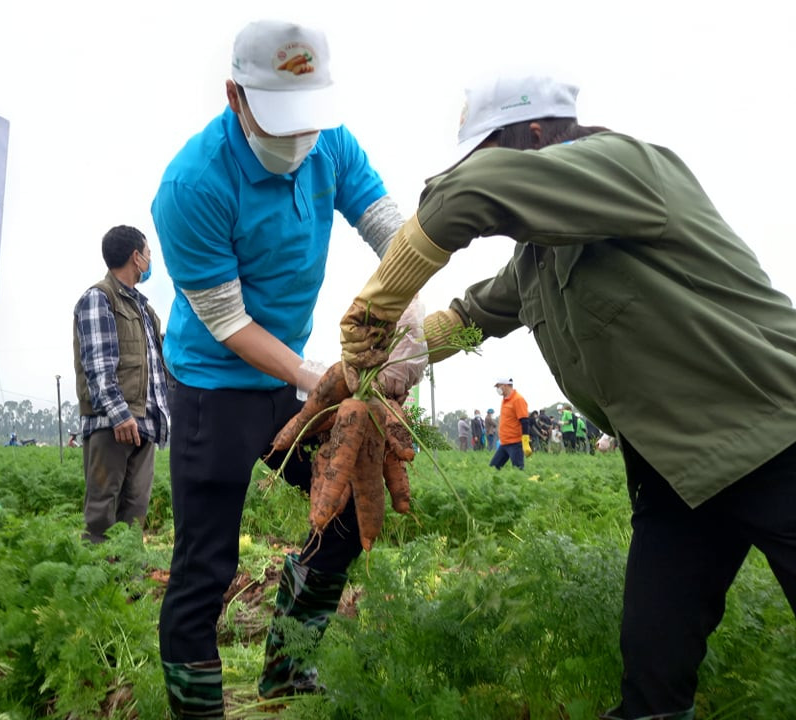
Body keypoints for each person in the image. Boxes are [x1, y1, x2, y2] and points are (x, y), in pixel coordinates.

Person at [338, 73, 796, 720]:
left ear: (535, 134)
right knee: (654, 666)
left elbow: (469, 193)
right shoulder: (541, 258)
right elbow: (475, 314)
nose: (481, 165)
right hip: (675, 472)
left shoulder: (630, 165)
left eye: (490, 149)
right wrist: (387, 360)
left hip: (774, 439)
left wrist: (380, 301)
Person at [150, 20, 413, 718]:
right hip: (216, 385)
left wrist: (414, 308)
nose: (297, 143)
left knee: (353, 509)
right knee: (207, 565)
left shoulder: (330, 143)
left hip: (294, 377)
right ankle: (197, 709)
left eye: (307, 124)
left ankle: (289, 668)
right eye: (279, 123)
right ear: (234, 95)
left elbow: (389, 225)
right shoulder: (193, 185)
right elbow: (228, 321)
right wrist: (311, 372)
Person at [73, 225, 169, 545]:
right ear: (136, 257)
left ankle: (128, 586)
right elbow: (99, 365)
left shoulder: (145, 310)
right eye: (149, 253)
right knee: (103, 513)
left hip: (143, 423)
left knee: (135, 510)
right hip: (113, 424)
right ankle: (98, 588)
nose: (150, 260)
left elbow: (157, 364)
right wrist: (120, 414)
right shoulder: (99, 298)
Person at [488, 377, 531, 470]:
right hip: (504, 443)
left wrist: (525, 441)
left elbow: (524, 421)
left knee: (518, 470)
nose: (497, 389)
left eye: (498, 386)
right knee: (492, 468)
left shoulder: (518, 399)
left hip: (515, 443)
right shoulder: (505, 400)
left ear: (505, 385)